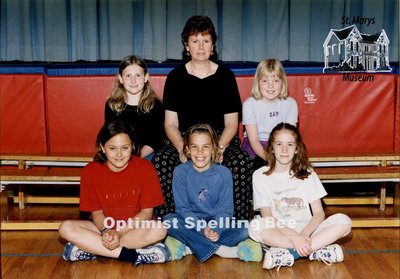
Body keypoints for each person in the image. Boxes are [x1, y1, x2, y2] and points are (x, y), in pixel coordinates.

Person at [152, 15, 253, 220]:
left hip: (218, 139)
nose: (200, 46)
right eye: (195, 41)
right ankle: (172, 225)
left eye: (206, 41)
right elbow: (170, 123)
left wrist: (219, 148)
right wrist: (182, 147)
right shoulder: (175, 77)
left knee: (241, 160)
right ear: (186, 45)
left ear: (213, 45)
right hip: (184, 139)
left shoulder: (225, 76)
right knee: (162, 161)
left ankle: (236, 224)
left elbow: (232, 124)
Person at [58, 120, 171, 265]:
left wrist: (118, 233)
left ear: (133, 147)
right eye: (112, 148)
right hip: (102, 228)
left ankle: (91, 248)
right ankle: (132, 256)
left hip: (133, 228)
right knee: (65, 228)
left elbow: (146, 214)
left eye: (125, 148)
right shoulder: (90, 171)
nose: (119, 154)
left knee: (159, 229)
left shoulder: (146, 168)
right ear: (102, 148)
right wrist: (107, 230)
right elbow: (97, 213)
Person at [249, 123, 352, 270]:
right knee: (255, 227)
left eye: (290, 144)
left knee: (344, 221)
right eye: (279, 144)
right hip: (280, 230)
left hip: (308, 231)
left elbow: (318, 213)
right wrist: (295, 237)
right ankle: (316, 249)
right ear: (271, 147)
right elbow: (268, 217)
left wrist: (303, 235)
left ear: (297, 149)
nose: (284, 150)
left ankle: (288, 255)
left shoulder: (308, 173)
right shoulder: (259, 175)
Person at [163, 124, 262, 263]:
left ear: (214, 148)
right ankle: (221, 250)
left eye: (206, 146)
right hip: (191, 222)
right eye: (194, 147)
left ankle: (192, 247)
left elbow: (226, 210)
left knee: (247, 228)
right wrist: (202, 228)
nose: (200, 152)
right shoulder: (180, 172)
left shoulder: (224, 173)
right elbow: (182, 209)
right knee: (168, 221)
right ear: (187, 149)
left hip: (218, 223)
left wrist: (215, 228)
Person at [105, 55, 165, 160]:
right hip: (120, 154)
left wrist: (136, 158)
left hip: (147, 154)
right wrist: (122, 156)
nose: (133, 81)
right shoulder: (112, 105)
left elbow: (156, 139)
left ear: (146, 77)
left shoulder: (156, 105)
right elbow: (111, 136)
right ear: (121, 78)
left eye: (138, 75)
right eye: (128, 76)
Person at [242, 58, 298, 170]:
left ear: (283, 82)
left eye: (276, 81)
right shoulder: (250, 104)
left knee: (299, 167)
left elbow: (290, 136)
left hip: (282, 143)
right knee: (262, 168)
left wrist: (282, 155)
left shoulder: (290, 103)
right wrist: (269, 159)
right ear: (258, 82)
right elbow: (253, 140)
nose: (270, 86)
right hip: (257, 146)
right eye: (265, 81)